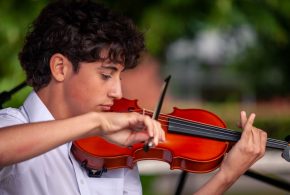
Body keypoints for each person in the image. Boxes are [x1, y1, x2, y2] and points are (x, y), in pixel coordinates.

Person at [0, 1, 267, 195]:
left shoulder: (112, 150)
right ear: (60, 67)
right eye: (106, 75)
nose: (117, 92)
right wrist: (97, 123)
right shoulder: (11, 125)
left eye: (120, 77)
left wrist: (226, 176)